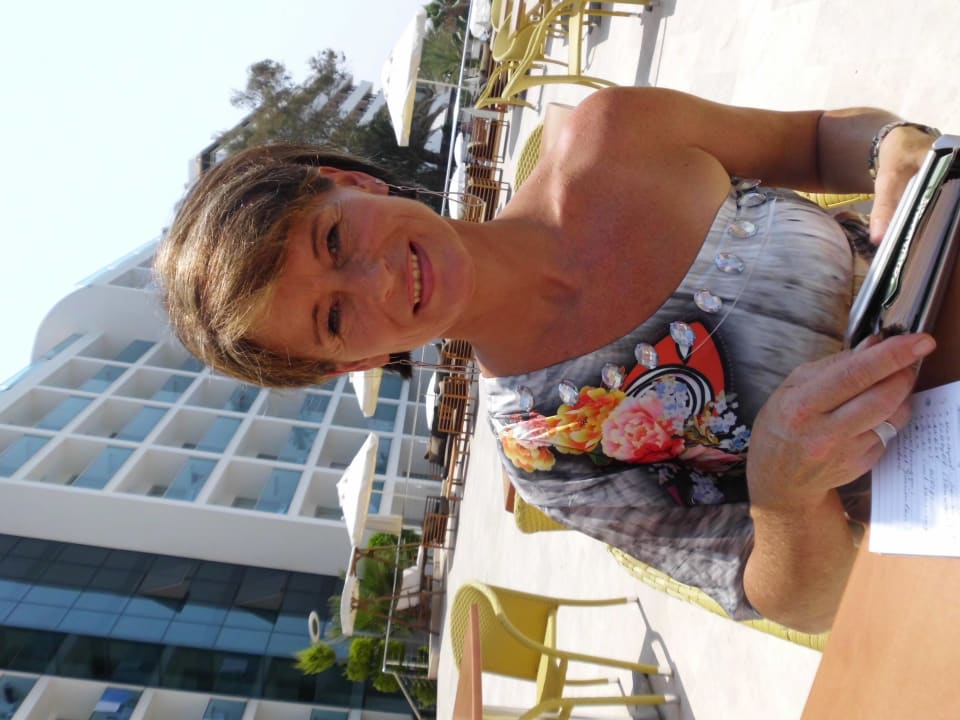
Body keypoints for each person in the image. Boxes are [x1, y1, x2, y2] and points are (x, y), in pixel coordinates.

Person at [155, 87, 955, 632]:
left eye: (334, 240)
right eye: (334, 318)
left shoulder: (612, 136)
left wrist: (890, 146)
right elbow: (805, 603)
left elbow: (814, 139)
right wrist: (782, 498)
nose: (378, 281)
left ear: (348, 181)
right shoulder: (547, 449)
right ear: (347, 365)